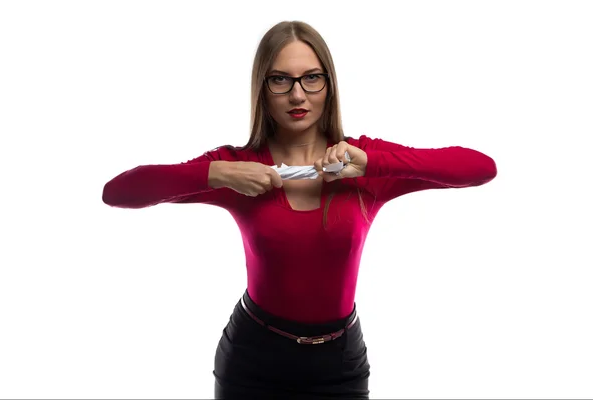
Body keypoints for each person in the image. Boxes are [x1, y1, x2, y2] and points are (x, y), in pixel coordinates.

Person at [102, 20, 497, 400]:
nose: (297, 95)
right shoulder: (238, 165)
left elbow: (481, 167)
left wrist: (375, 164)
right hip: (252, 360)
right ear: (262, 87)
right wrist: (217, 173)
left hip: (339, 365)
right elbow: (118, 192)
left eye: (312, 77)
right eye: (280, 80)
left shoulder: (363, 161)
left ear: (329, 84)